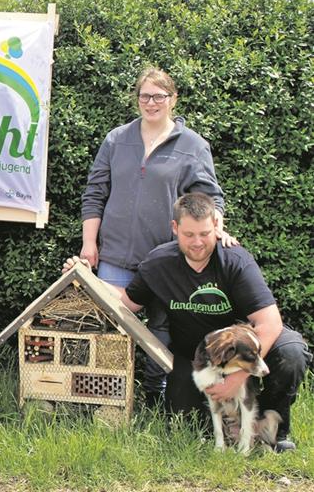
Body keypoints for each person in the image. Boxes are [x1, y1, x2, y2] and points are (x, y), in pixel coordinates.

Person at [64, 193, 310, 452]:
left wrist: (237, 376)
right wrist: (84, 276)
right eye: (189, 234)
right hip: (195, 355)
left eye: (204, 233)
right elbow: (127, 301)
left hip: (243, 347)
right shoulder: (158, 263)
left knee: (290, 354)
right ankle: (232, 424)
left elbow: (270, 324)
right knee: (184, 420)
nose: (197, 243)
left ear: (216, 225)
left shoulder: (235, 261)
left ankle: (274, 431)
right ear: (175, 228)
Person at [80, 67, 236, 404]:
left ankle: (155, 398)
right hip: (115, 256)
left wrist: (216, 230)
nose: (151, 103)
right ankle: (110, 397)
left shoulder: (193, 146)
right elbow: (94, 193)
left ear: (173, 99)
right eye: (145, 96)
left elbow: (210, 198)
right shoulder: (116, 139)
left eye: (159, 96)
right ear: (137, 99)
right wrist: (89, 243)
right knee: (111, 328)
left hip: (166, 258)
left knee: (161, 332)